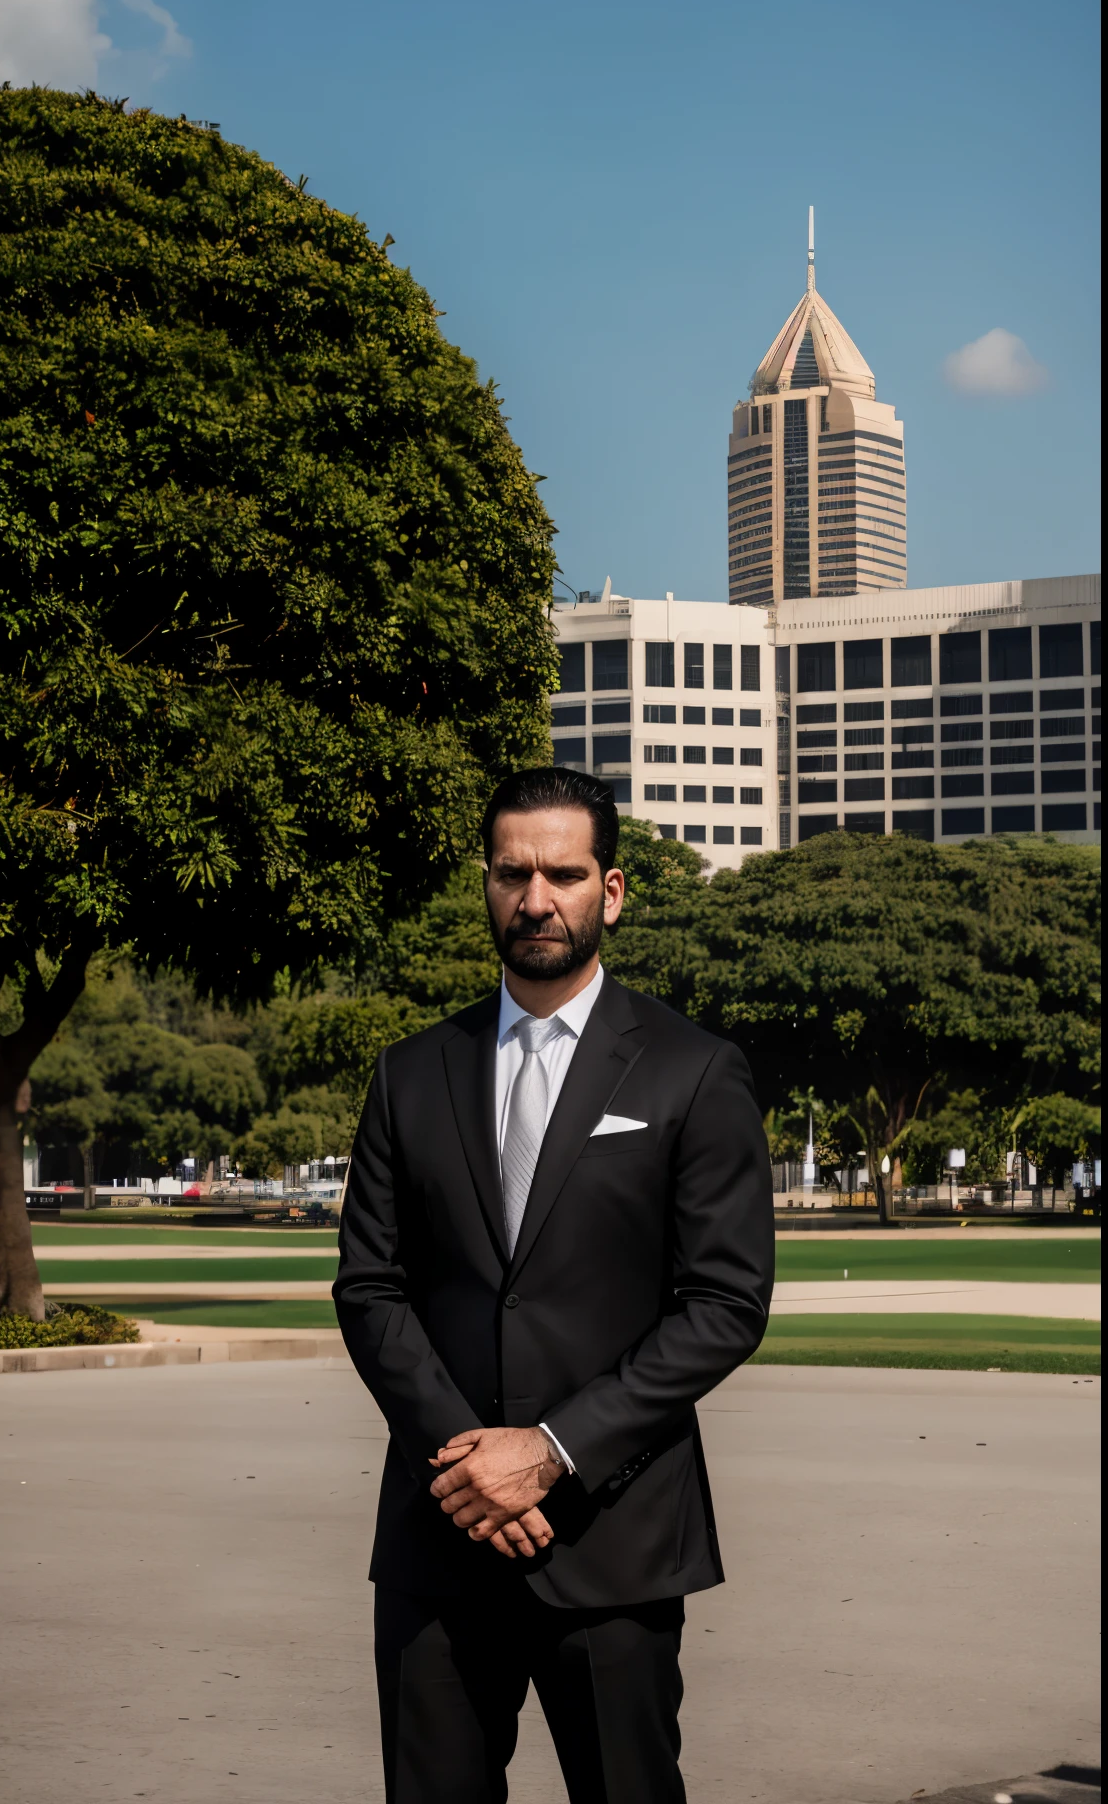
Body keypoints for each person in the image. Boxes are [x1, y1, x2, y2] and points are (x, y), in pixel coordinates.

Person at [334, 766, 774, 1803]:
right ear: (485, 884)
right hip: (437, 1542)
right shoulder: (408, 1071)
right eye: (512, 872)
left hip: (611, 1542)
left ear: (610, 890)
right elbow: (370, 1287)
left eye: (563, 874)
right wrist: (468, 1463)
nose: (536, 898)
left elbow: (722, 1303)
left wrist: (550, 1450)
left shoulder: (692, 1071)